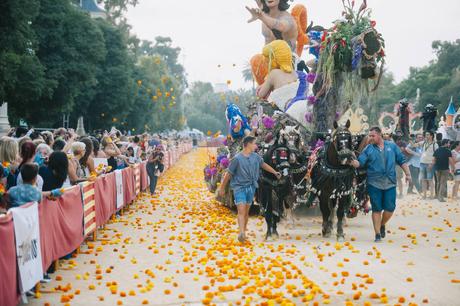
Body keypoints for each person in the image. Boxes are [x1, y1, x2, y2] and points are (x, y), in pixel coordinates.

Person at [350, 126, 411, 242]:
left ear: (380, 135)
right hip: (374, 183)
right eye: (369, 136)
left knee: (390, 208)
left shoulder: (392, 146)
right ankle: (377, 234)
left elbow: (402, 161)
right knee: (377, 209)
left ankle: (382, 224)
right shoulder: (368, 149)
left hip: (390, 182)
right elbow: (360, 163)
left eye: (372, 136)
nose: (370, 138)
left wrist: (408, 174)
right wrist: (352, 161)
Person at [219, 136, 281, 243]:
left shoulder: (256, 157)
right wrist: (222, 188)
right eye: (254, 143)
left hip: (251, 188)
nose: (256, 146)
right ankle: (241, 232)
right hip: (239, 187)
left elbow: (263, 165)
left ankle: (244, 231)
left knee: (246, 212)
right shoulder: (237, 159)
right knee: (241, 210)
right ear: (248, 144)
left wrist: (274, 172)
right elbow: (228, 174)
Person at [419, 131, 438, 199]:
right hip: (422, 163)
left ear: (431, 136)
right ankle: (424, 195)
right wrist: (410, 140)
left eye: (427, 135)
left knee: (430, 179)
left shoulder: (435, 144)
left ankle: (431, 195)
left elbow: (436, 155)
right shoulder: (424, 142)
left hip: (430, 164)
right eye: (426, 135)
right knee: (423, 179)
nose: (426, 136)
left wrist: (432, 163)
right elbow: (414, 145)